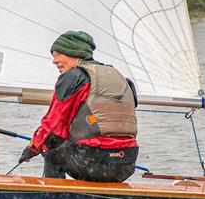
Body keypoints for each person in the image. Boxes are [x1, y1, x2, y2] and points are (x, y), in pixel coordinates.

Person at [18, 31, 139, 183]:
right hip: (126, 163)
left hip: (91, 163)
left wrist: (32, 148)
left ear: (73, 52)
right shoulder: (119, 76)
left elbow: (54, 130)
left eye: (58, 54)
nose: (54, 61)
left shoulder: (73, 77)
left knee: (53, 149)